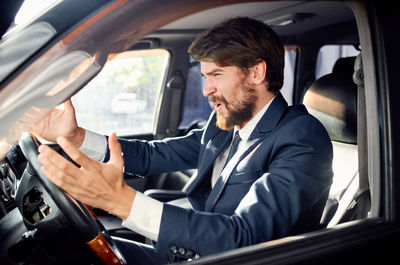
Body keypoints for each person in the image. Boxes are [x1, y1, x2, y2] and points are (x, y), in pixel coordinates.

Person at [34, 17, 333, 264]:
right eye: (204, 76)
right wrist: (74, 136)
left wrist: (119, 200)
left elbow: (245, 237)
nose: (206, 90)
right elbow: (152, 156)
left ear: (256, 72)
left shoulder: (303, 137)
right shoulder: (225, 126)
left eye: (216, 75)